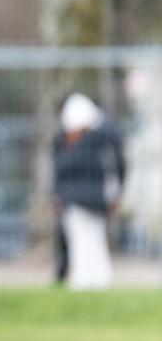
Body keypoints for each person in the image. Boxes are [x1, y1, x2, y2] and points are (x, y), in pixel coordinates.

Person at [51, 93, 126, 290]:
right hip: (81, 200)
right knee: (83, 240)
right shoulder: (74, 144)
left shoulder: (99, 142)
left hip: (88, 200)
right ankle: (89, 280)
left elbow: (114, 169)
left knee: (90, 240)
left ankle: (90, 281)